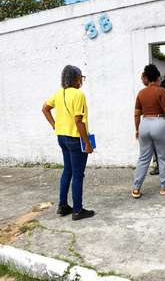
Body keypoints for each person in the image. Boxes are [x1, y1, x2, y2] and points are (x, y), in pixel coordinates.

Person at [42, 65, 95, 221]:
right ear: (76, 78)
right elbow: (79, 121)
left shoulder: (58, 93)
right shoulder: (78, 95)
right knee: (78, 175)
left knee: (68, 171)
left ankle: (63, 205)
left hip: (62, 138)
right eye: (81, 78)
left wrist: (54, 125)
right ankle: (78, 210)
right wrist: (87, 143)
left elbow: (45, 108)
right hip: (75, 138)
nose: (81, 81)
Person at [132, 64, 165, 198]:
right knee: (163, 157)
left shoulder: (141, 93)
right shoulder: (161, 91)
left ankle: (136, 189)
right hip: (159, 123)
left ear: (147, 78)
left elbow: (136, 114)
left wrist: (137, 129)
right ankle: (164, 187)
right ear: (157, 77)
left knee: (143, 158)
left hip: (144, 123)